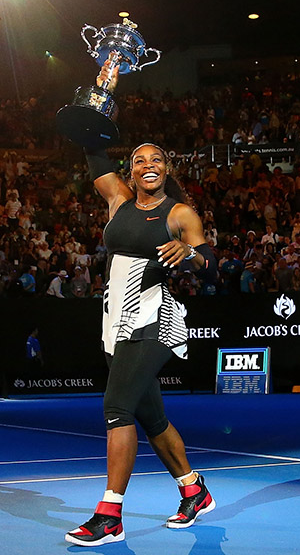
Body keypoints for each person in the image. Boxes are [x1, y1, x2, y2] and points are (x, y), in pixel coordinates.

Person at [65, 142, 218, 547]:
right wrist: (104, 90)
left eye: (156, 160)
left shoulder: (179, 213)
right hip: (115, 321)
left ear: (167, 168)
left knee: (117, 408)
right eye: (139, 161)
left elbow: (214, 268)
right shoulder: (119, 199)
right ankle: (193, 489)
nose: (148, 165)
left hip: (153, 320)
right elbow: (93, 152)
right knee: (152, 419)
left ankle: (110, 515)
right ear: (129, 171)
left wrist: (190, 254)